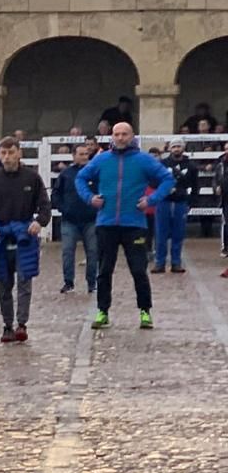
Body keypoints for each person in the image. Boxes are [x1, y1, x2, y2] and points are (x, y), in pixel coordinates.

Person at [77, 121, 173, 329]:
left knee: (138, 270)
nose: (120, 138)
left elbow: (167, 179)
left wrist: (151, 200)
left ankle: (145, 311)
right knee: (104, 270)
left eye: (124, 134)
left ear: (132, 136)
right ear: (112, 136)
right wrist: (90, 198)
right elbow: (81, 178)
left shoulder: (143, 160)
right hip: (106, 223)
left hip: (134, 224)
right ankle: (102, 311)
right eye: (116, 134)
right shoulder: (102, 160)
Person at [0, 136, 51, 343]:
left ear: (19, 153)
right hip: (1, 234)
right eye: (3, 153)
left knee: (25, 280)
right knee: (3, 282)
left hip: (25, 234)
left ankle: (22, 323)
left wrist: (39, 222)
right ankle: (7, 325)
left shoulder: (32, 178)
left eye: (11, 153)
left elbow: (44, 206)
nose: (7, 157)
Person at [53, 138, 99, 294]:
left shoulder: (95, 173)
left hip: (91, 220)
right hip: (69, 220)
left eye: (86, 154)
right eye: (81, 154)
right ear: (74, 156)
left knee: (93, 252)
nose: (84, 157)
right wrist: (63, 209)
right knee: (67, 251)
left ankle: (92, 282)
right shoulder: (66, 174)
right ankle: (68, 282)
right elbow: (56, 194)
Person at [152, 138, 198, 274]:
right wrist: (163, 190)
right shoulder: (162, 164)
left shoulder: (191, 166)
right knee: (161, 233)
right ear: (170, 148)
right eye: (174, 146)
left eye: (179, 146)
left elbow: (195, 185)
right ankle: (159, 262)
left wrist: (191, 202)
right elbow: (153, 181)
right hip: (164, 202)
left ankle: (176, 262)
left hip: (181, 202)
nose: (176, 149)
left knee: (178, 233)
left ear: (183, 148)